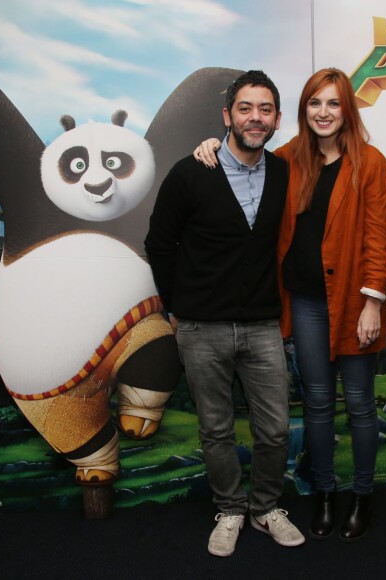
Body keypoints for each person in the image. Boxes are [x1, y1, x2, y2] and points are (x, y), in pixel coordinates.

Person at [194, 68, 386, 543]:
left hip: (353, 302)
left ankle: (361, 497)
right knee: (320, 406)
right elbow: (240, 158)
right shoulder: (286, 159)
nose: (324, 113)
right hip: (305, 303)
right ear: (302, 112)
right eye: (314, 104)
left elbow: (379, 238)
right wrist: (209, 147)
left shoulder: (371, 162)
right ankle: (324, 496)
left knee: (362, 407)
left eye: (333, 103)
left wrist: (372, 303)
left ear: (348, 109)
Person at [145, 70, 305, 558]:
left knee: (274, 428)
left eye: (265, 109)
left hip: (261, 324)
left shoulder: (283, 171)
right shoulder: (193, 171)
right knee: (214, 428)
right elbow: (159, 243)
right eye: (245, 108)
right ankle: (230, 510)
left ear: (276, 118)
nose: (255, 118)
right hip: (201, 327)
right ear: (227, 115)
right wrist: (177, 306)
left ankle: (265, 508)